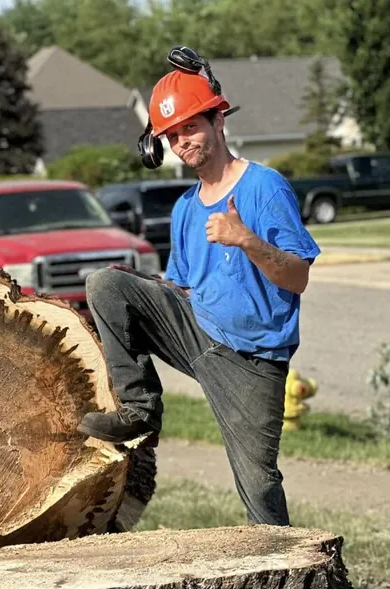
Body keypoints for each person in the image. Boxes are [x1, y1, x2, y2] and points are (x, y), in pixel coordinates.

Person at [77, 47, 320, 526]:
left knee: (259, 487)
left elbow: (299, 277)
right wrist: (144, 298)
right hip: (198, 334)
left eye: (190, 127)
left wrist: (245, 239)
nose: (182, 142)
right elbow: (182, 288)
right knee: (107, 284)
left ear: (218, 120)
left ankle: (286, 562)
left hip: (252, 360)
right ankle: (139, 409)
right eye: (172, 135)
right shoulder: (186, 208)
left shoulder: (264, 187)